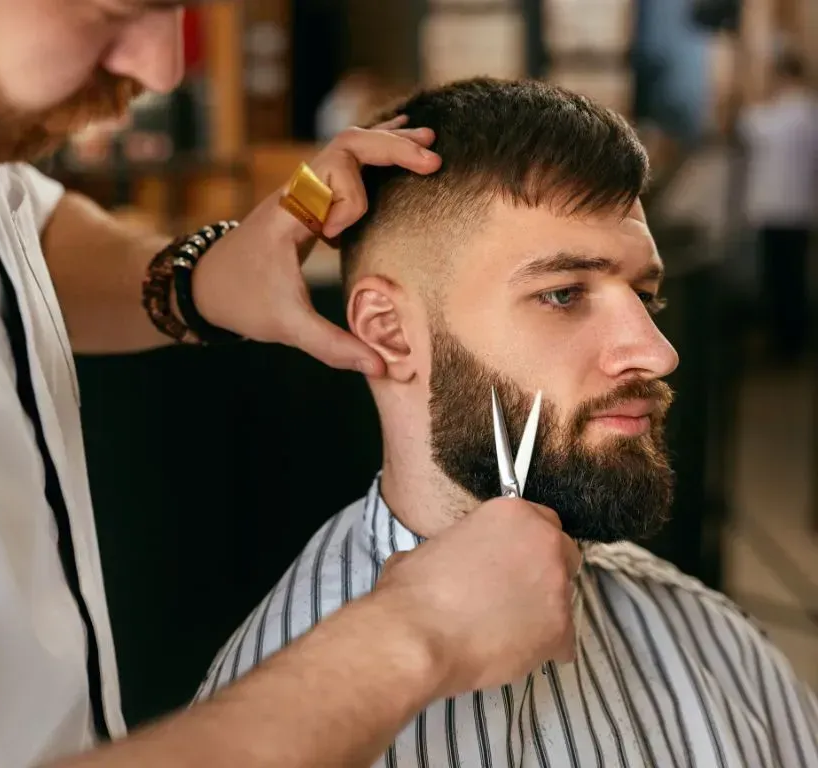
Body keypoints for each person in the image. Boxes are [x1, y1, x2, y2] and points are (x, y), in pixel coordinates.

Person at [0, 2, 586, 767]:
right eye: (120, 9)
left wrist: (200, 278)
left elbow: (11, 230)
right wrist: (419, 633)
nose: (165, 67)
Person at [193, 77, 818, 767]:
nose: (657, 353)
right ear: (389, 331)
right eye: (563, 294)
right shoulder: (273, 721)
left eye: (646, 296)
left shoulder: (711, 640)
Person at [740, 49, 818, 362]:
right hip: (801, 210)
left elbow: (746, 125)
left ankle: (784, 345)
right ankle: (793, 342)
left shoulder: (776, 115)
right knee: (795, 278)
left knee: (779, 280)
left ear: (782, 76)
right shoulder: (810, 114)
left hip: (774, 210)